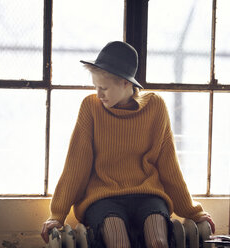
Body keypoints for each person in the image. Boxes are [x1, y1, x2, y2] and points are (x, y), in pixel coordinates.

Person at [41, 41, 215, 247]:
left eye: (104, 88)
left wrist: (193, 212)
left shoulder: (156, 107)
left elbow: (169, 165)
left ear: (126, 83)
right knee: (117, 241)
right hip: (103, 197)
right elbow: (76, 165)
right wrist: (57, 215)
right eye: (96, 87)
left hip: (148, 195)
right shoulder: (91, 107)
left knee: (158, 241)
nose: (99, 94)